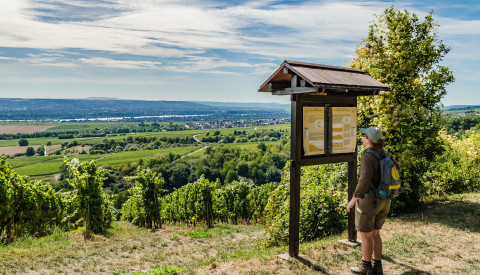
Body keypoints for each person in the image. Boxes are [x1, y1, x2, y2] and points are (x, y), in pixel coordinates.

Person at [347, 126, 400, 275]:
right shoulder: (384, 153)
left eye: (364, 136)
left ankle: (366, 266)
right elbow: (397, 167)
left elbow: (363, 181)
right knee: (376, 234)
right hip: (385, 200)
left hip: (370, 201)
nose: (362, 138)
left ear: (368, 140)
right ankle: (378, 266)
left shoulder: (368, 156)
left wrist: (352, 200)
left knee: (365, 235)